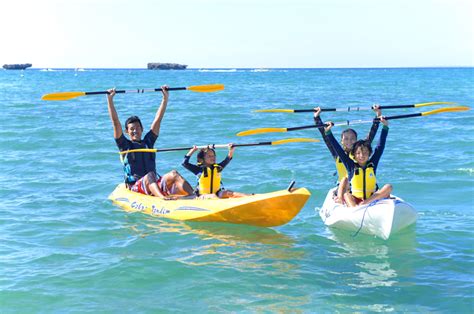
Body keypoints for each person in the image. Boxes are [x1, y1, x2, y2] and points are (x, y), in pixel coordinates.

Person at [107, 86, 194, 199]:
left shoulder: (148, 142)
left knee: (174, 174)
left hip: (154, 183)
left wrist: (165, 99)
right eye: (132, 129)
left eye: (138, 127)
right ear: (127, 132)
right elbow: (115, 122)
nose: (135, 130)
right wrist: (110, 100)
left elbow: (158, 119)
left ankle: (195, 196)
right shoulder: (124, 145)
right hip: (136, 186)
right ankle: (162, 199)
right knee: (149, 176)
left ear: (142, 129)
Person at [313, 106, 380, 203]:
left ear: (356, 140)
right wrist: (317, 118)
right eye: (346, 139)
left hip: (360, 186)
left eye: (352, 138)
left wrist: (377, 116)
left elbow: (371, 135)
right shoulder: (337, 153)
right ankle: (341, 199)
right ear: (341, 141)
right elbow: (325, 136)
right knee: (345, 180)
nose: (349, 141)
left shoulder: (360, 152)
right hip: (343, 187)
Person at [325, 112, 392, 207]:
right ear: (354, 155)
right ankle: (355, 210)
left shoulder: (373, 164)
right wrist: (328, 132)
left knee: (388, 186)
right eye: (358, 153)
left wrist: (385, 127)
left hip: (371, 198)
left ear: (369, 154)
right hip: (356, 200)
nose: (361, 156)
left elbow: (379, 147)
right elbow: (338, 150)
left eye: (365, 153)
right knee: (347, 195)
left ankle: (365, 203)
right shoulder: (351, 166)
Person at [182, 144, 248, 198]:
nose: (212, 157)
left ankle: (249, 197)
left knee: (229, 193)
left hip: (217, 193)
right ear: (202, 159)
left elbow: (228, 159)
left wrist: (231, 150)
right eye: (209, 156)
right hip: (202, 196)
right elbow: (184, 163)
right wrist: (192, 150)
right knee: (213, 196)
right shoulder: (198, 169)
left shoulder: (218, 168)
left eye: (213, 156)